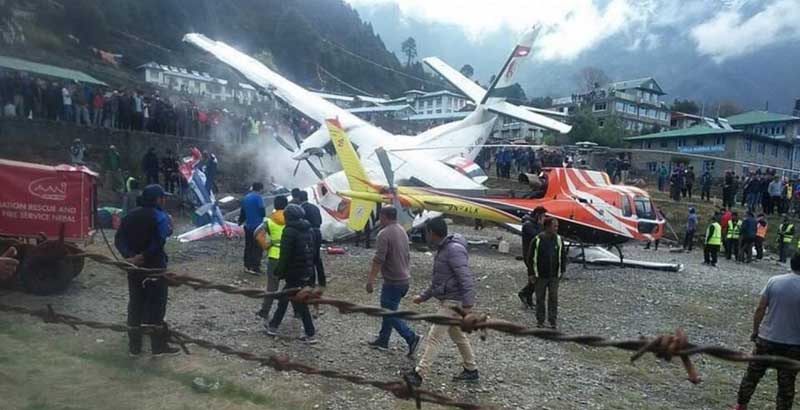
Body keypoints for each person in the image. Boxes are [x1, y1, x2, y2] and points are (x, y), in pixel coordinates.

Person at [404, 218, 478, 387]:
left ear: (432, 233)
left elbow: (465, 278)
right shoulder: (445, 249)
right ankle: (471, 369)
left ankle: (419, 374)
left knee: (434, 336)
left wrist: (468, 303)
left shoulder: (452, 250)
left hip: (453, 302)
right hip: (451, 300)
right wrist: (423, 297)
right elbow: (439, 281)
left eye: (427, 232)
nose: (426, 235)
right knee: (458, 335)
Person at [114, 184, 179, 356]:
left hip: (134, 267)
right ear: (158, 199)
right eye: (163, 198)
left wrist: (129, 256)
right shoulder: (160, 216)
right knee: (156, 306)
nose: (164, 200)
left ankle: (134, 348)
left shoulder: (130, 215)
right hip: (154, 267)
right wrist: (144, 255)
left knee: (135, 305)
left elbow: (119, 239)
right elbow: (159, 241)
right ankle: (158, 347)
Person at [732, 254, 800, 410]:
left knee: (752, 375)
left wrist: (755, 331)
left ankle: (741, 405)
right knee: (786, 383)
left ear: (791, 264)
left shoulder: (774, 281)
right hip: (794, 344)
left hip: (767, 338)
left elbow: (761, 308)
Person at [365, 206, 422, 355]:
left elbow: (379, 259)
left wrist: (370, 280)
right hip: (404, 279)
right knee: (389, 310)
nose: (379, 219)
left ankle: (411, 337)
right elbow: (407, 255)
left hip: (393, 281)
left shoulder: (384, 234)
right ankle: (383, 339)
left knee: (388, 313)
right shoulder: (402, 230)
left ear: (384, 216)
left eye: (380, 216)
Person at [265, 204, 317, 344]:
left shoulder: (289, 231)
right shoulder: (309, 229)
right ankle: (274, 326)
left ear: (287, 217)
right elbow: (312, 251)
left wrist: (278, 271)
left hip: (293, 272)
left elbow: (285, 255)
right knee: (290, 298)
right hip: (306, 269)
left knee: (292, 300)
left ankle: (309, 333)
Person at [528, 217, 567, 328]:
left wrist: (563, 270)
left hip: (554, 275)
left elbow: (563, 256)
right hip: (540, 275)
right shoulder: (537, 240)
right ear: (547, 226)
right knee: (540, 298)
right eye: (555, 226)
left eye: (557, 226)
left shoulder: (559, 239)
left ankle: (552, 320)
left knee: (553, 298)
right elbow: (530, 257)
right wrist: (531, 273)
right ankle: (540, 320)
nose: (556, 228)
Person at [256, 195, 288, 322]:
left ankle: (265, 311)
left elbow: (257, 234)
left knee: (271, 287)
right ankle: (298, 312)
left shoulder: (269, 220)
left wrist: (266, 246)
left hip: (274, 256)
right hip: (288, 256)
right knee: (293, 285)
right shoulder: (291, 219)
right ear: (286, 205)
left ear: (275, 205)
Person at [518, 206, 547, 309]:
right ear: (538, 216)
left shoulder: (536, 225)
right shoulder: (528, 225)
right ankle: (524, 293)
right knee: (535, 277)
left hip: (537, 255)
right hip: (529, 255)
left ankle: (528, 298)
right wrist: (541, 226)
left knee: (536, 277)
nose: (545, 218)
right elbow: (538, 237)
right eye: (543, 216)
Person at [298, 191, 325, 289]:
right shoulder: (315, 207)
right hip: (318, 232)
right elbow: (320, 221)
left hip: (309, 234)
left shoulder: (301, 209)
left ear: (299, 199)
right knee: (317, 257)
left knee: (309, 257)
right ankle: (322, 280)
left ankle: (311, 281)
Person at [239, 183, 266, 275]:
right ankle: (255, 267)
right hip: (257, 226)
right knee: (257, 247)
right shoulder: (258, 198)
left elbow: (242, 212)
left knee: (248, 246)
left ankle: (247, 265)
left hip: (248, 226)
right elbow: (262, 212)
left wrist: (240, 222)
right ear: (260, 189)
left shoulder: (246, 197)